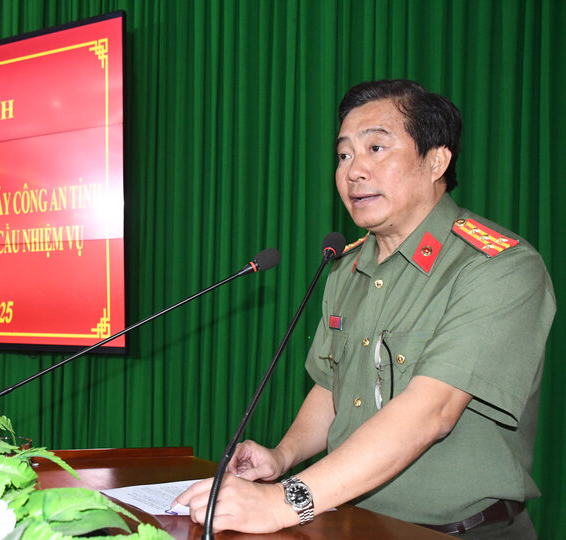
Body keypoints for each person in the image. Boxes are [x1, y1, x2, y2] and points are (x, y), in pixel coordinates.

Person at [174, 80, 556, 539]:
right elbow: (332, 390)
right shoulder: (347, 268)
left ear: (436, 160)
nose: (354, 171)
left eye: (376, 147)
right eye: (344, 155)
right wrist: (283, 456)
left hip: (459, 531)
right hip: (355, 522)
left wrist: (284, 501)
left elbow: (430, 412)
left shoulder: (498, 267)